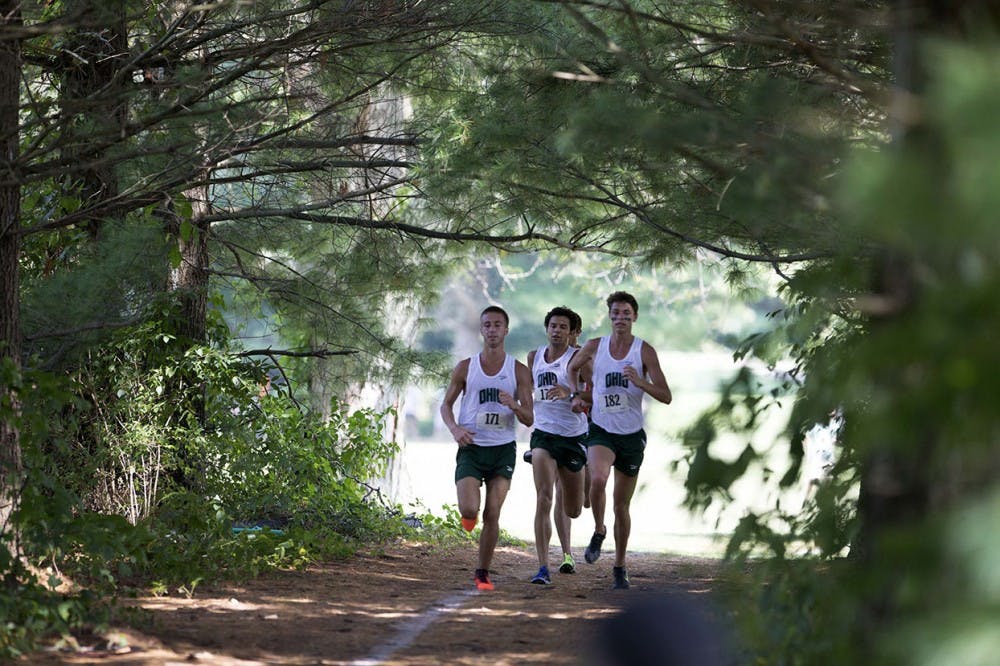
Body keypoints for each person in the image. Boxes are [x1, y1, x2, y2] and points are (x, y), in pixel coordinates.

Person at [567, 291, 672, 590]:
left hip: (631, 436)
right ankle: (599, 530)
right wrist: (577, 394)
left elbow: (666, 395)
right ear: (609, 316)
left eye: (626, 313)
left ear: (634, 317)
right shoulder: (595, 346)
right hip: (601, 429)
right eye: (615, 312)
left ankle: (620, 565)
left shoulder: (644, 351)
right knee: (597, 479)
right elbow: (572, 367)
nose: (620, 318)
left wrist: (641, 382)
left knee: (621, 506)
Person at [440, 305, 534, 591]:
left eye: (497, 325)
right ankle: (469, 516)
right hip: (472, 446)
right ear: (481, 330)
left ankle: (482, 572)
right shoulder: (466, 367)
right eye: (487, 325)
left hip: (502, 449)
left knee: (493, 513)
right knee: (470, 509)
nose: (492, 330)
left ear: (506, 330)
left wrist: (515, 405)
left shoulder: (518, 370)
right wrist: (455, 429)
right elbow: (445, 405)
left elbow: (529, 417)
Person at [526, 306, 590, 584]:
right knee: (543, 497)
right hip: (543, 435)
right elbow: (526, 390)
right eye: (553, 325)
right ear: (547, 328)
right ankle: (543, 567)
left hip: (573, 438)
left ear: (571, 332)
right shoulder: (534, 357)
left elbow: (597, 389)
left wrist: (572, 392)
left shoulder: (578, 359)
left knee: (572, 508)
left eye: (563, 327)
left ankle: (568, 551)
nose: (557, 330)